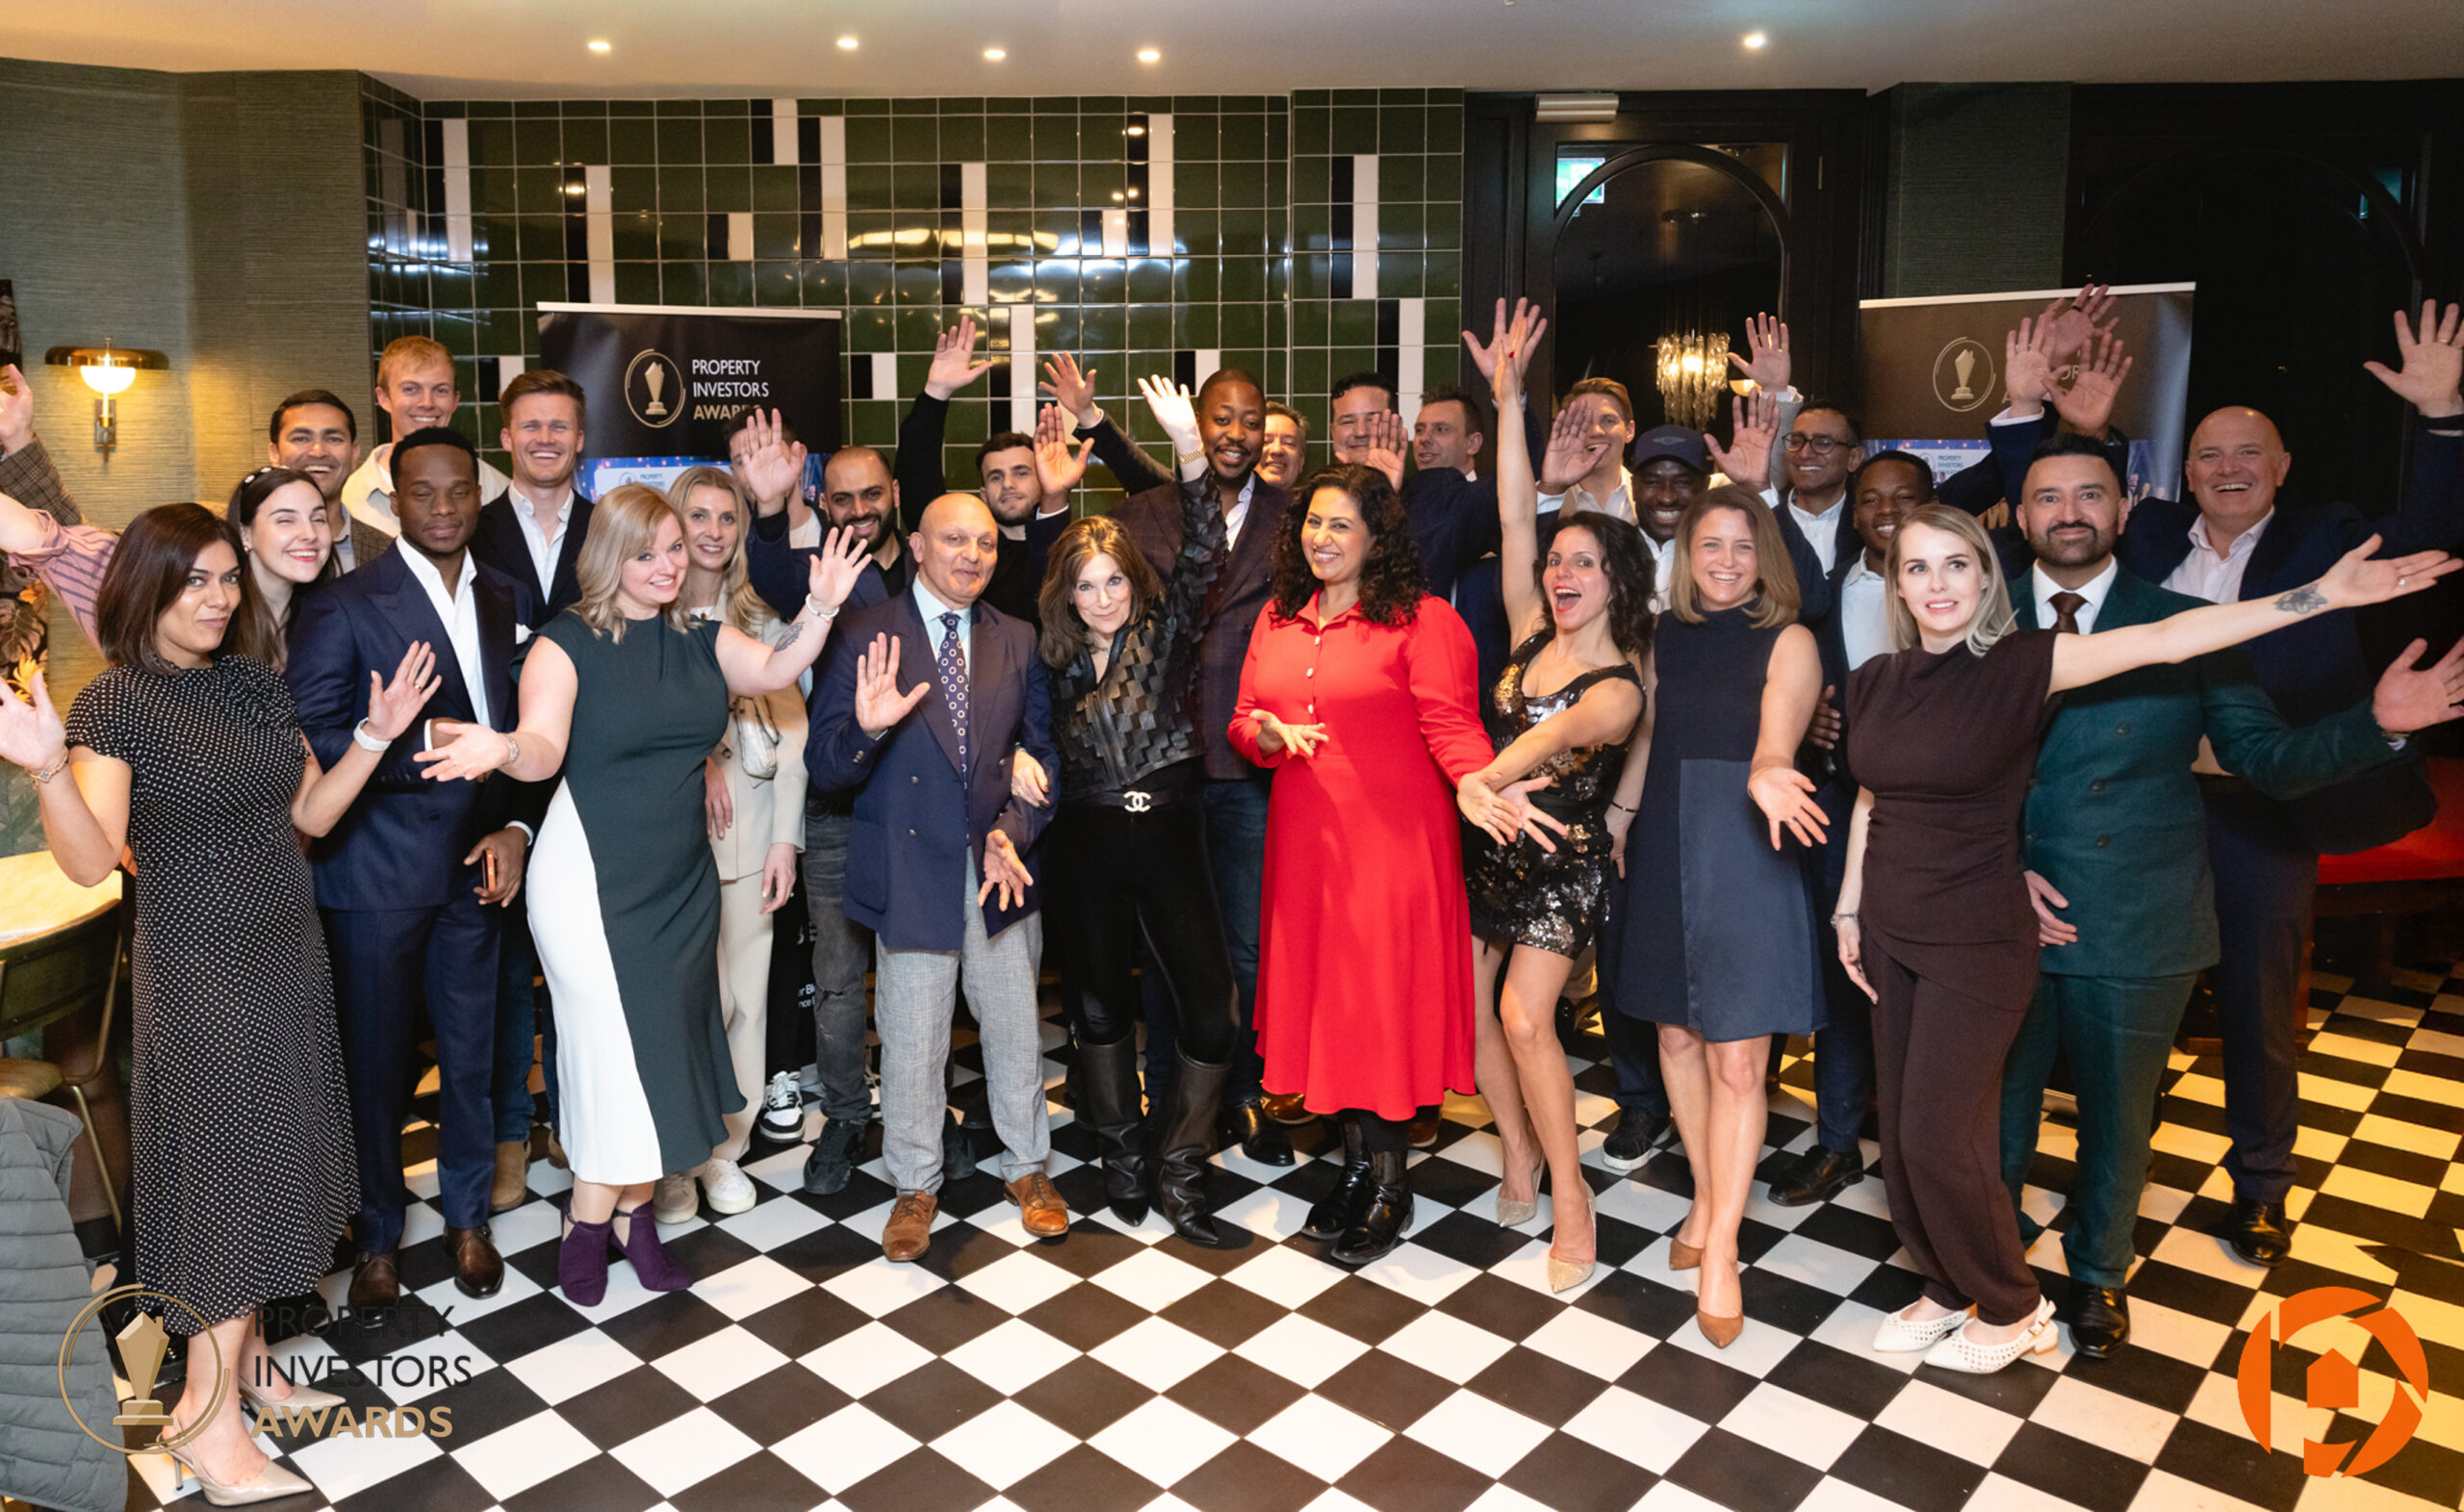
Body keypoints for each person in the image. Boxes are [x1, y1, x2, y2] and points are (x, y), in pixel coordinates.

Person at [1835, 503, 2453, 1373]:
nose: (1937, 583)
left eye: (1956, 564)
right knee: (1903, 1138)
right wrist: (1850, 908)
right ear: (1896, 586)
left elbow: (2169, 639)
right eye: (1917, 567)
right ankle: (1944, 1283)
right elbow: (1874, 799)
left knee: (1941, 1137)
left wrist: (2321, 594)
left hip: (1974, 938)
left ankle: (2013, 1304)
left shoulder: (2023, 663)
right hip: (1891, 929)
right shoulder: (1875, 679)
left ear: (1984, 578)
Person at [0, 503, 434, 1503]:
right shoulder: (117, 703)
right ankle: (204, 1419)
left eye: (227, 577)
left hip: (285, 952)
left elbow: (309, 812)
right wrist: (48, 764)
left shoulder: (251, 683)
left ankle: (248, 1371)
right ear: (144, 585)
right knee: (229, 1186)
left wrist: (375, 735)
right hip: (202, 971)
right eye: (194, 579)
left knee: (281, 1161)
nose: (218, 597)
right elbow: (87, 861)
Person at [1994, 435, 2463, 1356]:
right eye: (2049, 497)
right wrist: (2003, 866)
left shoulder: (2191, 621)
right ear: (2022, 515)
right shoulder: (1974, 613)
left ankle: (2099, 1273)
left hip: (2139, 908)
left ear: (2124, 510)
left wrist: (2374, 724)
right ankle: (1991, 1265)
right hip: (1999, 903)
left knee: (2120, 1113)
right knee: (1996, 1105)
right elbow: (1944, 770)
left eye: (2090, 494)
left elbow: (2264, 758)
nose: (2070, 513)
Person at [418, 485, 861, 1303]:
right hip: (587, 879)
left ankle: (629, 1216)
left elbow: (778, 667)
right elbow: (543, 748)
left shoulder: (702, 635)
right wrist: (502, 747)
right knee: (606, 1055)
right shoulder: (565, 643)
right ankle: (594, 1221)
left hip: (680, 880)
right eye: (646, 552)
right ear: (609, 556)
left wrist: (824, 606)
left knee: (658, 1050)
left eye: (674, 548)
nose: (667, 565)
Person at [2113, 306, 2462, 1267]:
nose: (2228, 466)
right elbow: (2053, 527)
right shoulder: (2148, 538)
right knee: (2130, 999)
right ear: (2184, 473)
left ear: (2281, 466)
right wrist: (2067, 426)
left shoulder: (2325, 542)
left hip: (2264, 813)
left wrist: (2444, 418)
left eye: (2248, 452)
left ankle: (2261, 1188)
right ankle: (2117, 1178)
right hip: (2149, 808)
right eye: (2209, 454)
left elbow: (2430, 534)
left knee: (2258, 1007)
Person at [1228, 463, 1538, 1266]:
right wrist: (1267, 735)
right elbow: (1243, 720)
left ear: (1376, 538)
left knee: (1376, 1013)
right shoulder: (1278, 617)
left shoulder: (1422, 619)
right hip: (1306, 850)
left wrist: (1477, 779)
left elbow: (1450, 724)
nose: (1322, 538)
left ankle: (1390, 1184)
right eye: (1313, 522)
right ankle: (1357, 1168)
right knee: (1329, 1011)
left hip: (1391, 850)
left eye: (1341, 524)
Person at [287, 425, 540, 1310]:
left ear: (480, 495)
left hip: (476, 868)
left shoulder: (506, 593)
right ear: (393, 503)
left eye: (459, 489)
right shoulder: (342, 603)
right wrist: (423, 739)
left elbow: (523, 731)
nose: (443, 506)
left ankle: (468, 1220)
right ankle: (378, 1238)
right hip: (375, 877)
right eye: (423, 492)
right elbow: (318, 738)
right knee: (378, 1066)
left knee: (472, 1059)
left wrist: (515, 824)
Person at [805, 492, 1063, 1261]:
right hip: (910, 866)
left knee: (1014, 1026)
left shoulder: (1017, 637)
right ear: (916, 545)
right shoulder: (862, 633)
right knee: (913, 1036)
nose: (972, 555)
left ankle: (1028, 1167)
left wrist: (1013, 830)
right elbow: (824, 764)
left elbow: (1043, 759)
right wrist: (865, 730)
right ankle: (915, 1184)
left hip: (996, 866)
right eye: (954, 539)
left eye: (985, 543)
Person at [1600, 485, 1826, 1345]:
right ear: (1685, 556)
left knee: (1739, 1059)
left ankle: (1723, 1244)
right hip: (1665, 830)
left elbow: (1778, 735)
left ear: (1763, 556)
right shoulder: (1661, 635)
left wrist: (1767, 769)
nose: (1726, 561)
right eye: (1709, 545)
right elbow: (1650, 736)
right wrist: (1622, 819)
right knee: (1674, 1037)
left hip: (1745, 838)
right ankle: (1705, 1192)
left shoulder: (1790, 639)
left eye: (1741, 545)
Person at [1462, 303, 1648, 1294]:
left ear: (1617, 579)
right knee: (1471, 1015)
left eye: (1585, 561)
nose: (1562, 571)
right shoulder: (1530, 623)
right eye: (1558, 559)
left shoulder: (1618, 685)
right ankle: (1520, 1152)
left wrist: (1477, 778)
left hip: (1561, 861)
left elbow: (1544, 738)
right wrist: (1507, 401)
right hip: (1488, 840)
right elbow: (1511, 515)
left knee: (1527, 1017)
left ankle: (1572, 1197)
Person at [1037, 377, 1243, 1243]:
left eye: (1114, 580)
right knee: (1095, 1006)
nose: (1104, 598)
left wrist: (1189, 452)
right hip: (1083, 843)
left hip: (1167, 831)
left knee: (1210, 1008)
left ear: (1134, 580)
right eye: (1087, 585)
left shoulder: (1164, 633)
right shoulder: (1052, 660)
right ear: (1067, 593)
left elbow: (1205, 553)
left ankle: (1181, 1164)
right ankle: (1122, 1155)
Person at [1077, 365, 1298, 1166]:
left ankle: (1241, 1093)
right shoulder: (1142, 513)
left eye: (1251, 419)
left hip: (1247, 766)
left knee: (1241, 946)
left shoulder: (1293, 520)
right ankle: (1163, 1089)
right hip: (1158, 769)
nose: (1237, 433)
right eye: (1221, 418)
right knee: (1163, 947)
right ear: (1197, 425)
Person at [1767, 448, 1933, 1207]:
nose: (1886, 510)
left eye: (1904, 496)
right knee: (1846, 972)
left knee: (1926, 986)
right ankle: (1837, 1142)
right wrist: (1808, 722)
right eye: (1871, 498)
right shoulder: (1826, 593)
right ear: (1853, 510)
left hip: (1943, 818)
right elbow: (1788, 681)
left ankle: (1923, 1152)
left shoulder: (1961, 586)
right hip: (1842, 807)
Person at [653, 465, 809, 1223]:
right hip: (666, 846)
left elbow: (794, 737)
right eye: (698, 515)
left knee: (745, 1000)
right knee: (686, 1003)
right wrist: (700, 761)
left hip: (750, 842)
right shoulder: (642, 615)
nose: (712, 531)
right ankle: (674, 1159)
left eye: (727, 517)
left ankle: (724, 1152)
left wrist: (785, 841)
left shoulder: (766, 621)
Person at [2, 465, 336, 661]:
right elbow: (41, 538)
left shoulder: (333, 614)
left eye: (319, 519)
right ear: (245, 532)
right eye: (286, 520)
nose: (308, 534)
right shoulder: (179, 600)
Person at [895, 316, 1081, 624]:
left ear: (1043, 479)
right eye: (996, 477)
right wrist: (936, 393)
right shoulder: (967, 558)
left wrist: (1055, 497)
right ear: (983, 494)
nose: (1008, 484)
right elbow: (917, 478)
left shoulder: (1074, 548)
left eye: (1021, 472)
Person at [340, 336, 512, 573]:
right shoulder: (349, 497)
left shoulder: (498, 489)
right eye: (411, 389)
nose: (427, 403)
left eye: (440, 390)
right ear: (383, 398)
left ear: (455, 400)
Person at [472, 368, 596, 626]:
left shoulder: (607, 528)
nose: (545, 439)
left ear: (579, 440)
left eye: (559, 427)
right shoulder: (472, 534)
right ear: (507, 438)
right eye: (531, 426)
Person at [267, 389, 364, 523]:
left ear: (354, 453)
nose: (318, 453)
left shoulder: (380, 537)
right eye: (301, 439)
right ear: (274, 453)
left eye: (333, 439)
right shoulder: (243, 535)